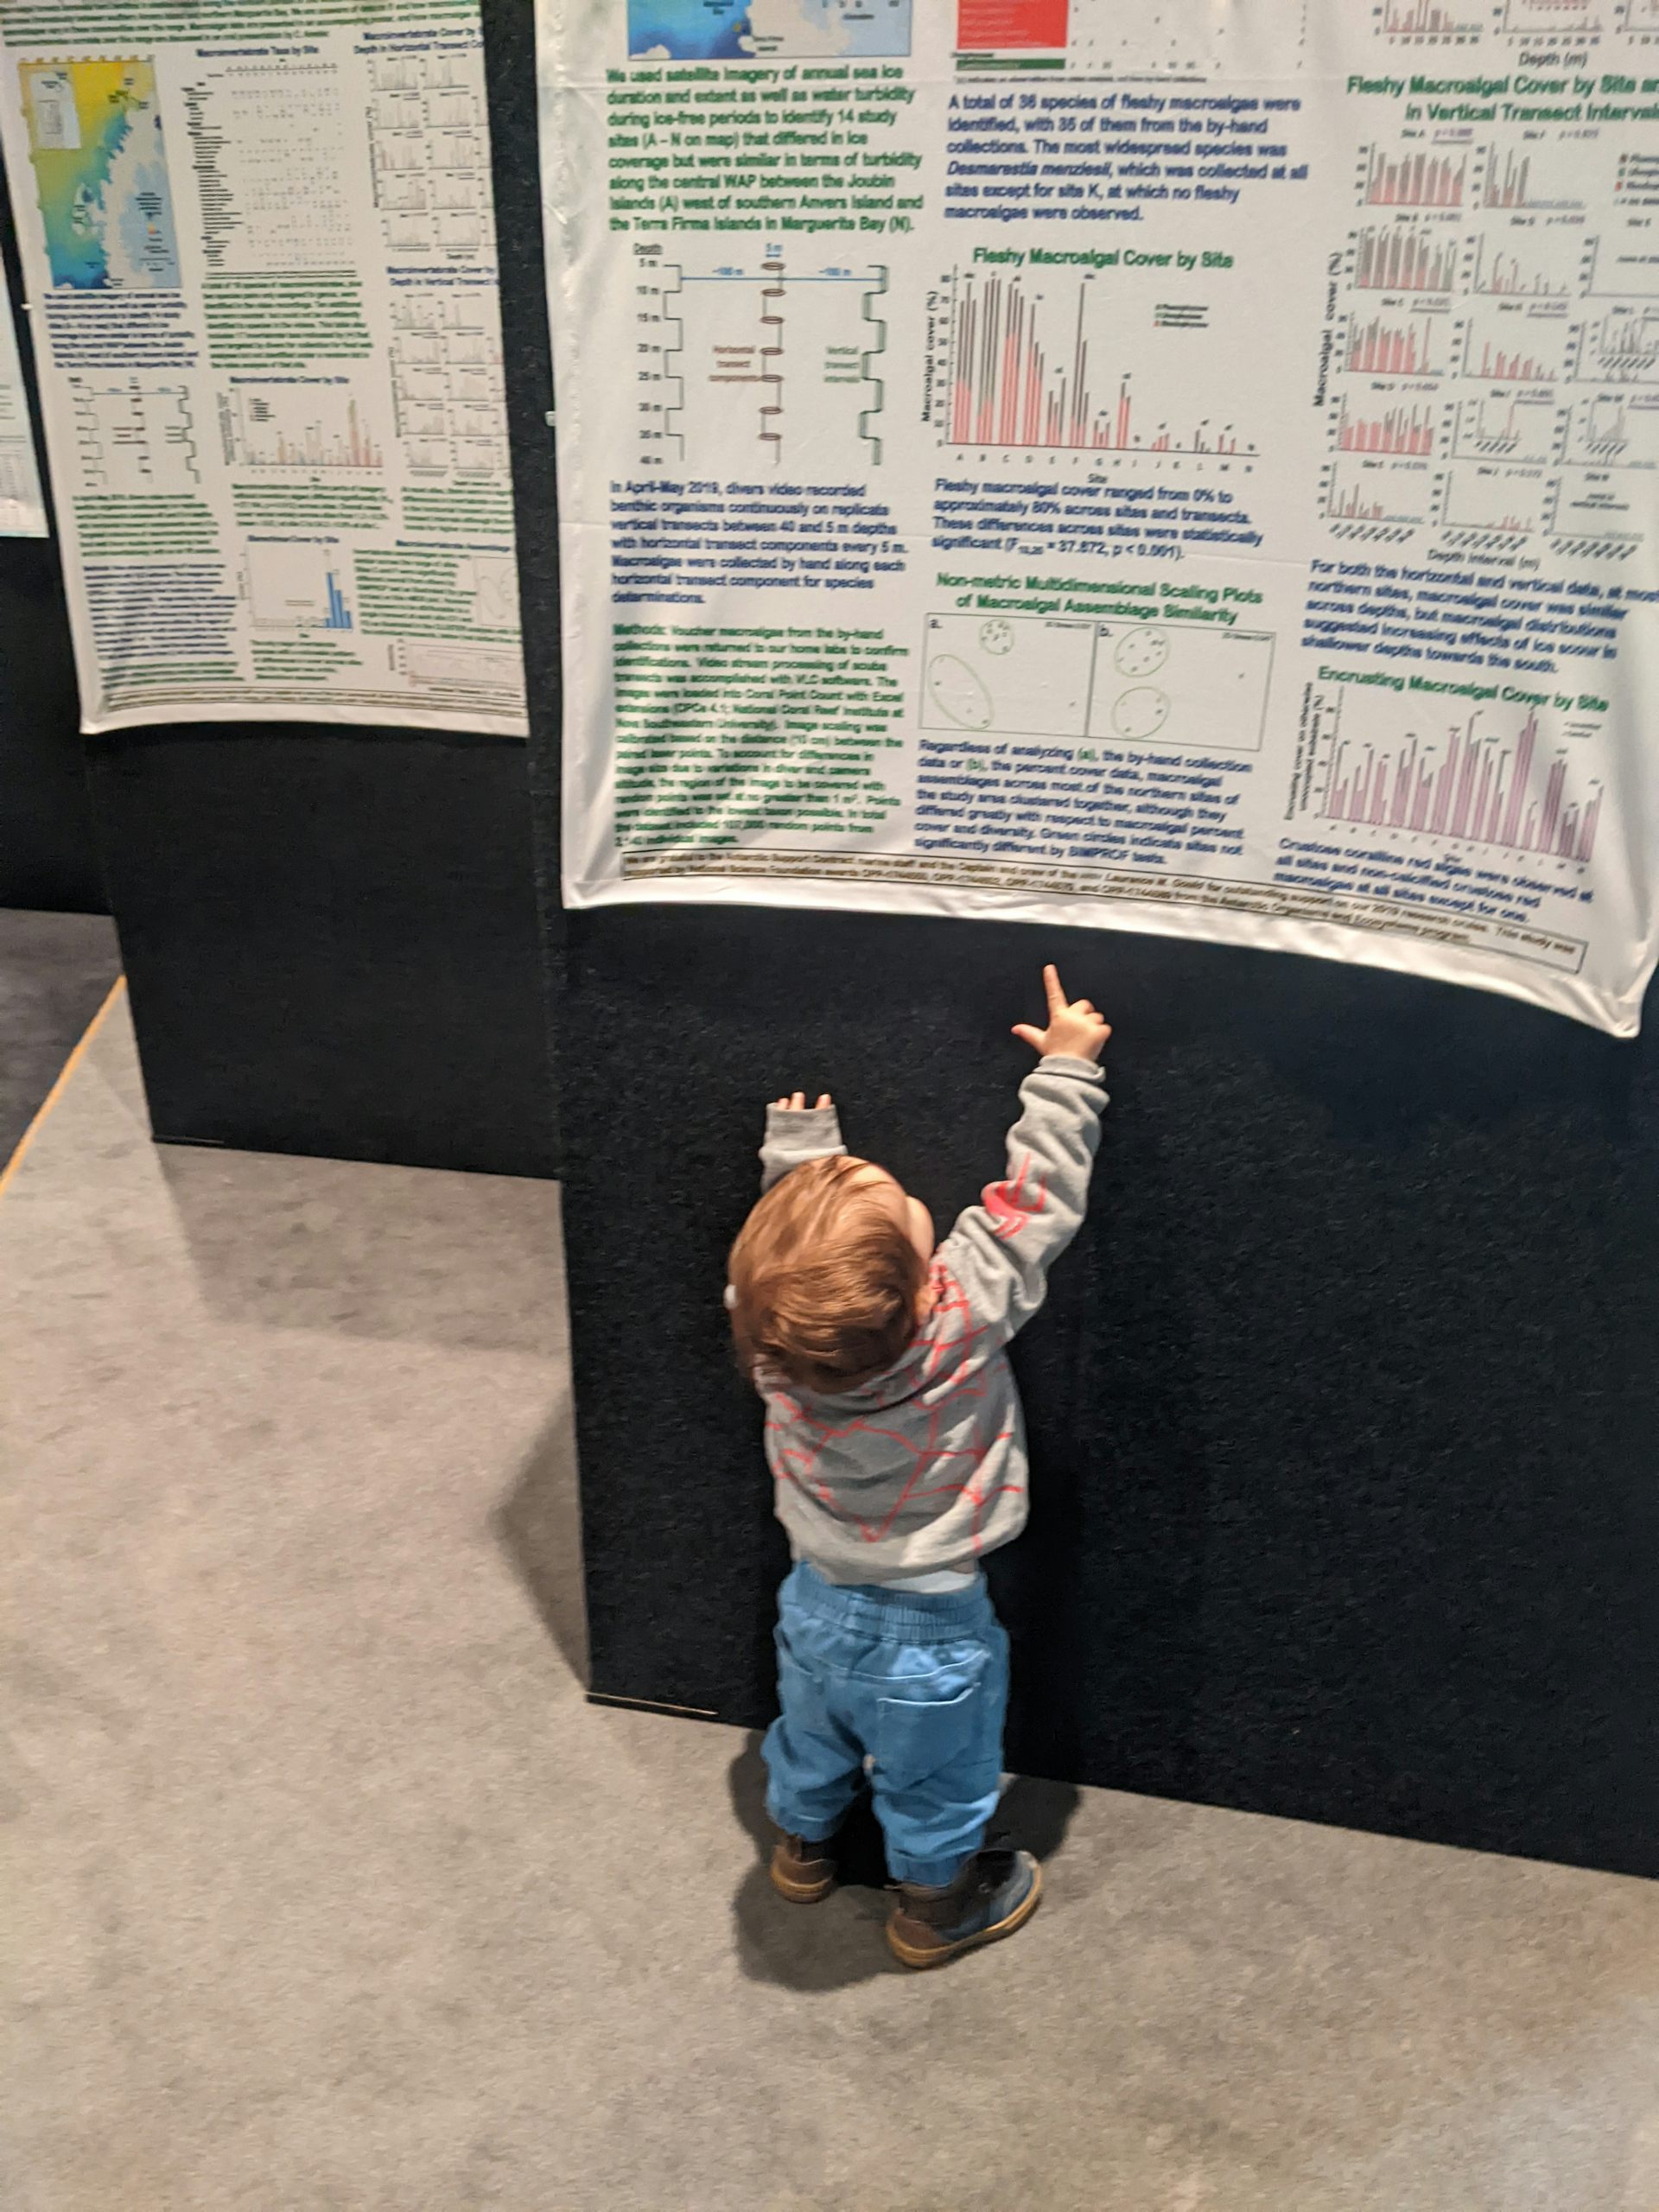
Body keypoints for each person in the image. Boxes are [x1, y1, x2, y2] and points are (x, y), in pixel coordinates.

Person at [725, 963, 1110, 1967]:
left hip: (814, 1599)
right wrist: (1066, 1071)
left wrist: (799, 1163)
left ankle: (803, 1849)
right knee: (938, 1778)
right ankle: (934, 1906)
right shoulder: (962, 1310)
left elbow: (791, 1270)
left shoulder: (771, 1345)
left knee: (809, 1736)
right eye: (902, 1205)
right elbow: (1036, 1204)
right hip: (934, 1629)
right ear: (923, 1272)